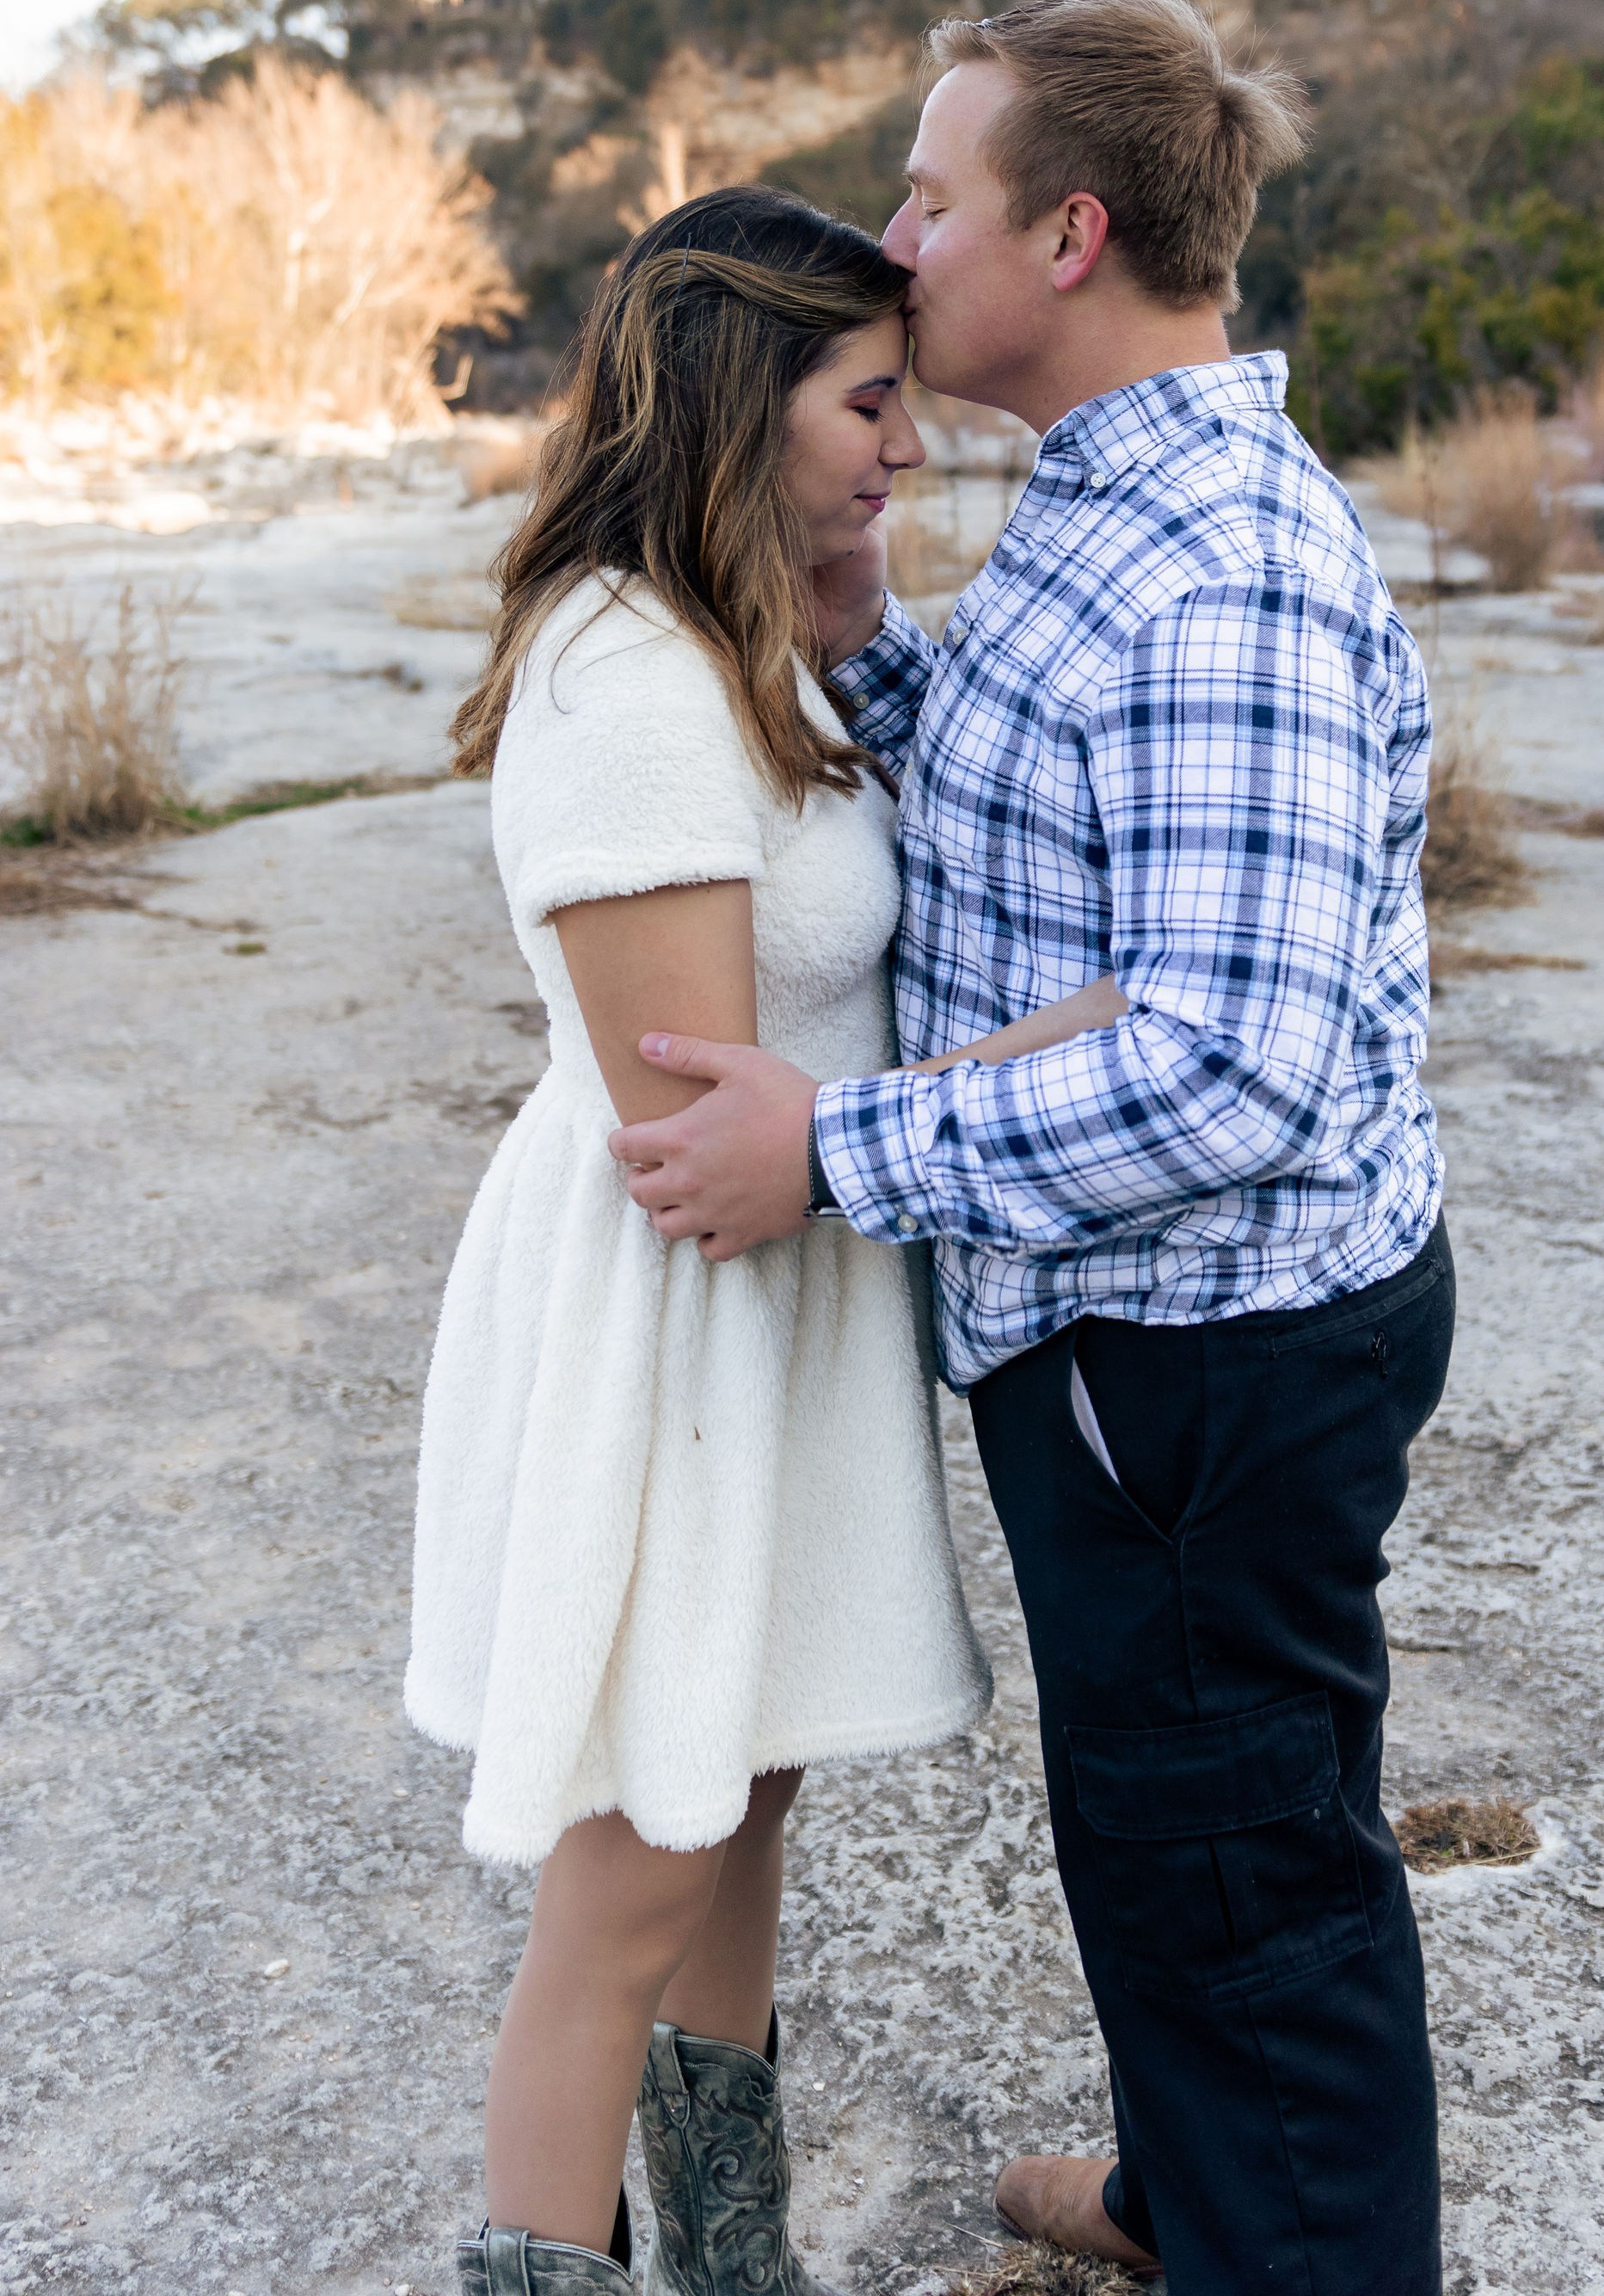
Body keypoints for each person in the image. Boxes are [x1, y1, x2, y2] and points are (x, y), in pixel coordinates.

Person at [609, 0, 1455, 2296]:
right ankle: (1206, 2186)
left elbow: (1232, 1065)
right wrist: (876, 644)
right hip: (1134, 1330)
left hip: (1209, 1344)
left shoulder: (1222, 577)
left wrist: (842, 1149)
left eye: (931, 195)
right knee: (1174, 1830)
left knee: (1246, 1866)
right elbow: (1045, 815)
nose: (894, 240)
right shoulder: (1109, 498)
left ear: (1068, 233)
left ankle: (1287, 2239)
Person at [409, 189, 1125, 2296]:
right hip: (671, 1332)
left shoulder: (738, 640)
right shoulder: (629, 674)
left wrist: (848, 580)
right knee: (628, 1883)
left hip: (773, 1324)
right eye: (868, 403)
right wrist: (1102, 1031)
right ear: (743, 395)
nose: (906, 442)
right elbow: (703, 1116)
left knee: (740, 1811)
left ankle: (730, 2265)